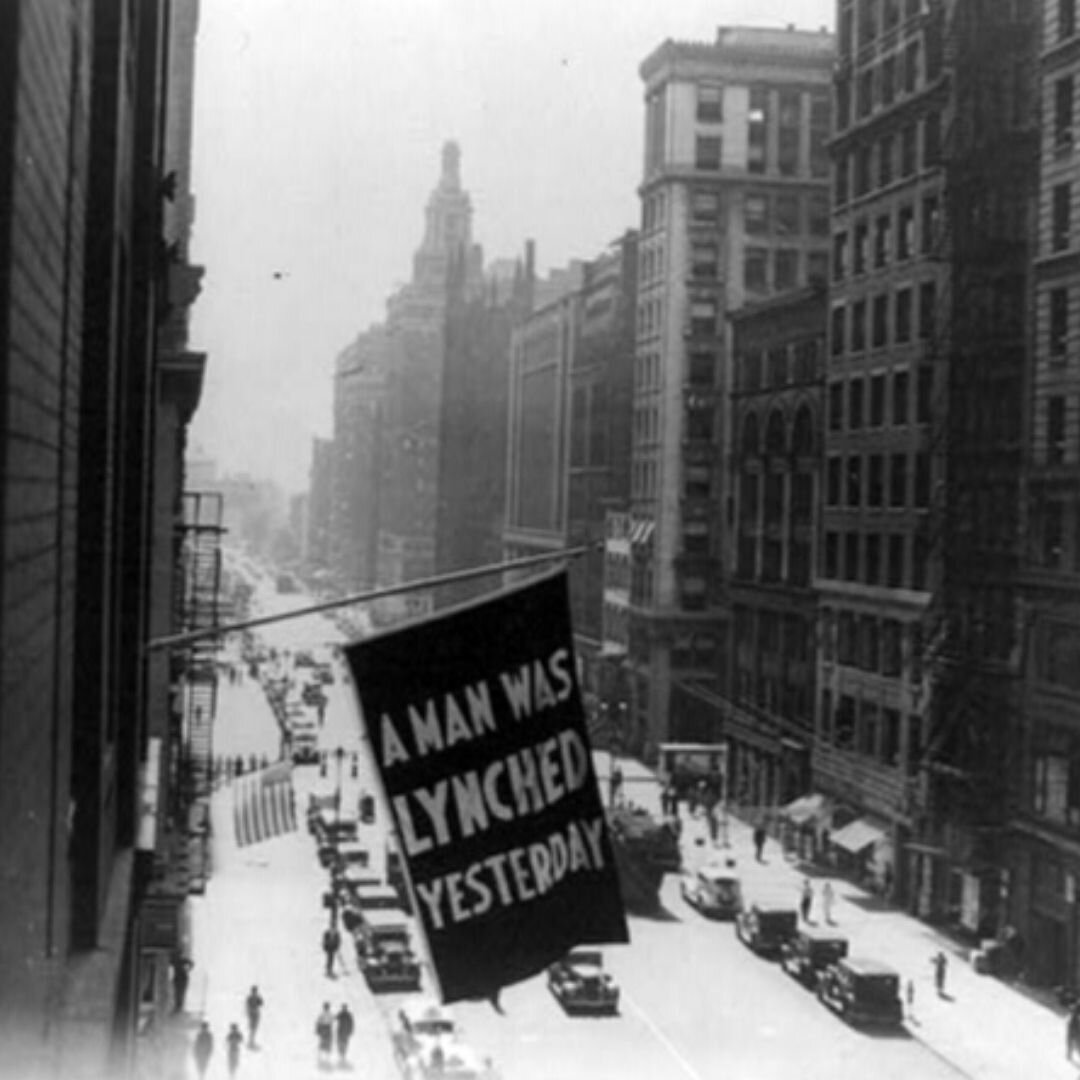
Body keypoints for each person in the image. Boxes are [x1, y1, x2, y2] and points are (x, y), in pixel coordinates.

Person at [315, 1002, 334, 1067]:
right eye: (326, 1007)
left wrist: (318, 1029)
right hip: (325, 1028)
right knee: (323, 1042)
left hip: (327, 1028)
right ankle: (320, 1055)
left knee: (327, 1042)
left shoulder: (328, 1014)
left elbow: (331, 1021)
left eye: (327, 1007)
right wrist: (318, 1030)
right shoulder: (323, 1014)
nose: (326, 1008)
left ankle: (326, 1056)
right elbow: (318, 1022)